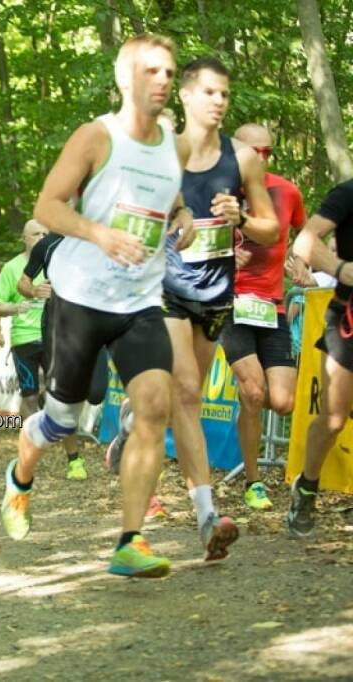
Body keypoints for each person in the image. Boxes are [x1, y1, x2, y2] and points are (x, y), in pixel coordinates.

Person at [1, 34, 195, 577]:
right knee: (61, 420)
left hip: (140, 302)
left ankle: (130, 541)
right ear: (124, 77)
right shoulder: (96, 136)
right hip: (81, 300)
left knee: (154, 406)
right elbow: (47, 205)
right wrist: (99, 234)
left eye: (169, 73)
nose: (163, 81)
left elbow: (173, 203)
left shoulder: (175, 146)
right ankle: (20, 480)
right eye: (151, 71)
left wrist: (181, 218)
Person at [156, 57, 278, 553]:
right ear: (185, 96)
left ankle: (133, 425)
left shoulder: (244, 158)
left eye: (225, 94)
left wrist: (242, 217)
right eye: (209, 92)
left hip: (215, 293)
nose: (219, 101)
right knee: (185, 390)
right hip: (163, 287)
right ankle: (207, 516)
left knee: (187, 395)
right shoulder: (160, 151)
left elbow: (273, 229)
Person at [218, 123, 306, 510]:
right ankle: (253, 482)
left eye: (267, 151)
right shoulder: (217, 192)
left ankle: (248, 404)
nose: (261, 158)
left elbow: (305, 236)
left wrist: (299, 263)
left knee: (283, 402)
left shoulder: (287, 191)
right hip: (230, 304)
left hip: (273, 306)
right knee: (254, 393)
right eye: (254, 151)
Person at [15, 226, 110, 480]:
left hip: (94, 325)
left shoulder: (99, 240)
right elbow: (23, 282)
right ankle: (74, 460)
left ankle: (49, 399)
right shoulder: (48, 245)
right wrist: (34, 290)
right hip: (59, 327)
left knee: (96, 393)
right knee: (69, 396)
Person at [290, 178, 353, 536]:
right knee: (333, 418)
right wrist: (341, 269)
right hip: (349, 318)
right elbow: (305, 240)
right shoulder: (347, 193)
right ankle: (307, 486)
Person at [0, 220, 49, 421]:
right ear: (24, 238)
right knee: (30, 396)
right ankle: (29, 443)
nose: (41, 239)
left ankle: (46, 410)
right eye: (35, 234)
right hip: (24, 340)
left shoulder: (57, 263)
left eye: (45, 234)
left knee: (58, 393)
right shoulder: (12, 267)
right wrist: (15, 308)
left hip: (55, 338)